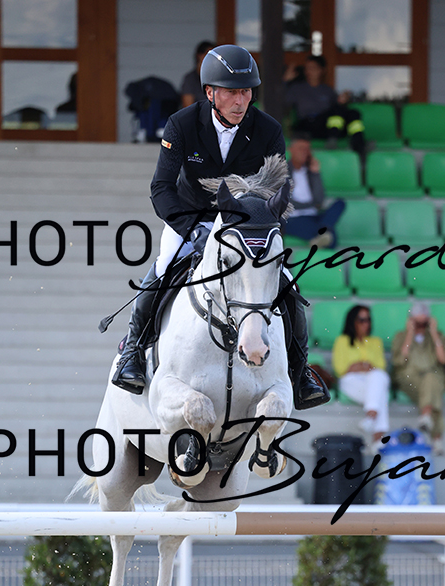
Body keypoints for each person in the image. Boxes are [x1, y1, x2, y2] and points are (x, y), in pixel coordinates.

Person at [112, 44, 329, 410]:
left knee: (288, 284)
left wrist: (261, 229)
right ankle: (133, 352)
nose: (240, 101)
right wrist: (191, 229)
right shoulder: (182, 124)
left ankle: (300, 371)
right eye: (231, 92)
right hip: (190, 219)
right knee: (162, 268)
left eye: (246, 92)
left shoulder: (268, 130)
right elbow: (161, 188)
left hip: (246, 226)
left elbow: (278, 192)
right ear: (210, 93)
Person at [391, 301, 445, 453]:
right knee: (433, 390)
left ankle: (426, 415)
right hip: (410, 378)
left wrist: (434, 333)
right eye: (417, 323)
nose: (420, 327)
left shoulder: (437, 336)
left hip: (432, 376)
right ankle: (436, 439)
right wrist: (410, 334)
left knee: (431, 380)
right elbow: (400, 361)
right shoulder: (401, 336)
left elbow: (443, 359)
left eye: (423, 323)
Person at [332, 304, 390, 446]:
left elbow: (381, 366)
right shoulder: (342, 340)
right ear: (353, 321)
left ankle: (371, 416)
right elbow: (340, 369)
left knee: (378, 377)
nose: (366, 324)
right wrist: (365, 365)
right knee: (380, 392)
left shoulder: (376, 341)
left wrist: (356, 366)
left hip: (371, 379)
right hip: (351, 381)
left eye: (368, 320)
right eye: (362, 320)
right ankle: (378, 441)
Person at [283, 135, 345, 248]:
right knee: (332, 239)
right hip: (293, 218)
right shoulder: (283, 172)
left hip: (313, 215)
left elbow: (319, 199)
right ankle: (325, 232)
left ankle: (323, 230)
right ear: (291, 149)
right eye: (301, 148)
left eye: (307, 149)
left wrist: (316, 173)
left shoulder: (311, 173)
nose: (305, 152)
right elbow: (286, 202)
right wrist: (311, 204)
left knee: (340, 203)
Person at [284, 55, 336, 137]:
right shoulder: (297, 88)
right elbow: (280, 102)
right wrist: (285, 81)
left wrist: (342, 101)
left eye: (313, 68)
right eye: (307, 68)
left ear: (322, 70)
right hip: (305, 124)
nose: (309, 71)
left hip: (323, 126)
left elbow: (335, 109)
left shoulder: (328, 90)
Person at [180, 40, 215, 108]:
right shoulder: (190, 79)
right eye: (209, 55)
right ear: (199, 55)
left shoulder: (217, 78)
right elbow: (188, 107)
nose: (212, 59)